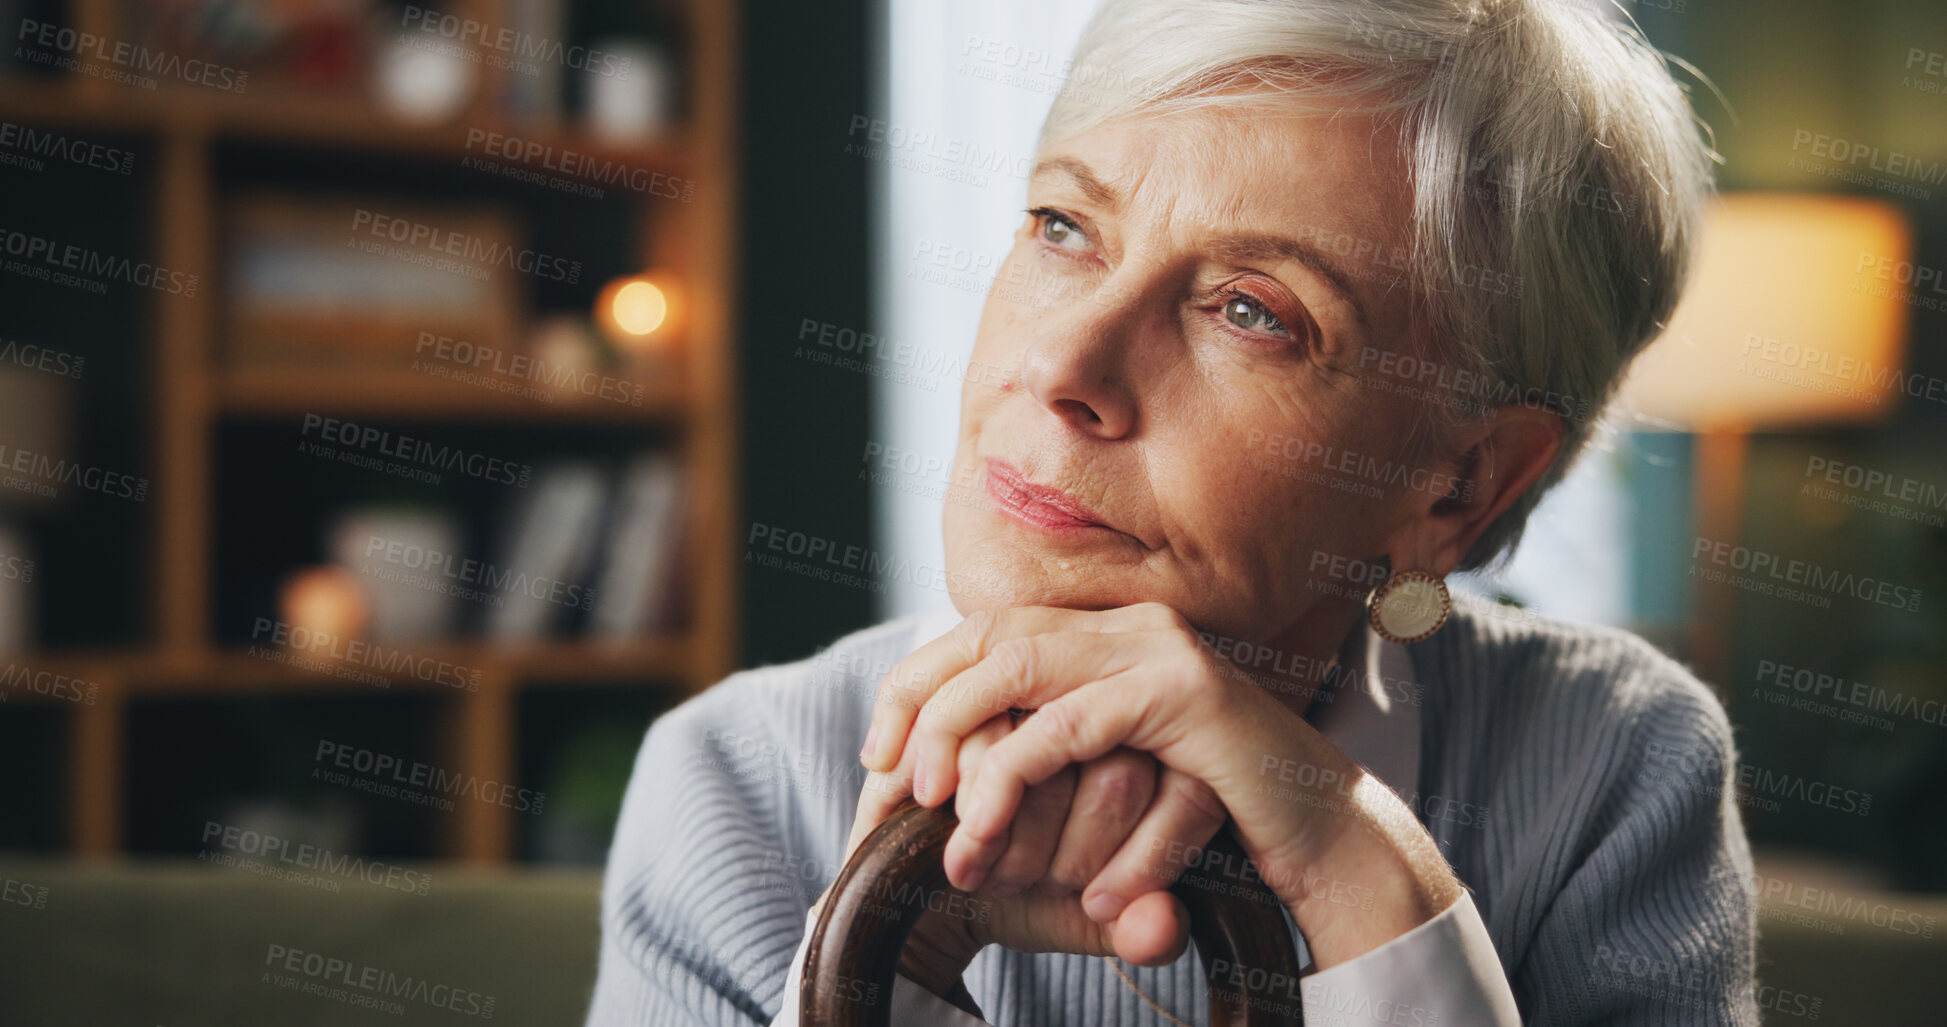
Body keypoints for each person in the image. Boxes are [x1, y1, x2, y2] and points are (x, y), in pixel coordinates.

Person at [587, 0, 1755, 1023]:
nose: (1062, 364)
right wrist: (883, 964)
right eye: (1064, 228)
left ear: (1462, 481)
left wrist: (1360, 868)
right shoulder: (738, 780)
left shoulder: (1613, 768)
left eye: (1252, 310)